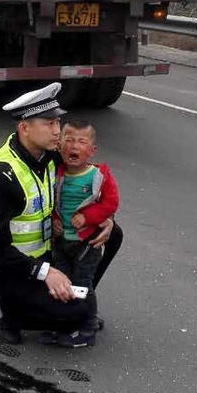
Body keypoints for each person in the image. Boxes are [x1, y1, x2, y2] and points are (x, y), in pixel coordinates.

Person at [0, 82, 121, 347]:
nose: (58, 132)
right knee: (78, 314)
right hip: (10, 269)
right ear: (25, 128)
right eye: (50, 124)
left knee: (113, 233)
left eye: (58, 123)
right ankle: (9, 310)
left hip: (46, 254)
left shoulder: (50, 156)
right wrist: (45, 273)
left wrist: (106, 220)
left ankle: (65, 300)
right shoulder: (0, 177)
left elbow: (90, 175)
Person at [48, 119, 119, 342]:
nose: (74, 146)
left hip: (86, 243)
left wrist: (88, 217)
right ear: (59, 146)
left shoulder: (99, 176)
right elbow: (49, 201)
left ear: (92, 150)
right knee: (63, 285)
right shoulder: (56, 174)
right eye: (68, 141)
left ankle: (87, 328)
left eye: (81, 142)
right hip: (61, 242)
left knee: (81, 286)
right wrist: (54, 219)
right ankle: (67, 323)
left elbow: (111, 203)